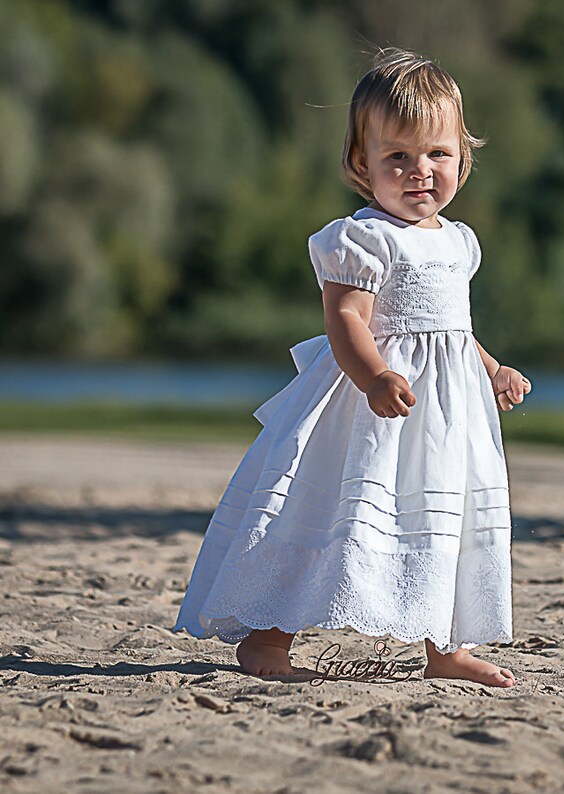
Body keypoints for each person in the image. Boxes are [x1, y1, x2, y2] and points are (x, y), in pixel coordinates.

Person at [172, 47, 532, 688]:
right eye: (397, 156)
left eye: (437, 154)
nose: (420, 171)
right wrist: (373, 377)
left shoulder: (458, 242)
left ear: (462, 158)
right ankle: (269, 635)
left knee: (439, 519)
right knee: (327, 514)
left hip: (445, 417)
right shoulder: (364, 237)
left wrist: (492, 367)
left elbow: (454, 331)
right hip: (370, 410)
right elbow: (346, 321)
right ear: (361, 163)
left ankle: (445, 648)